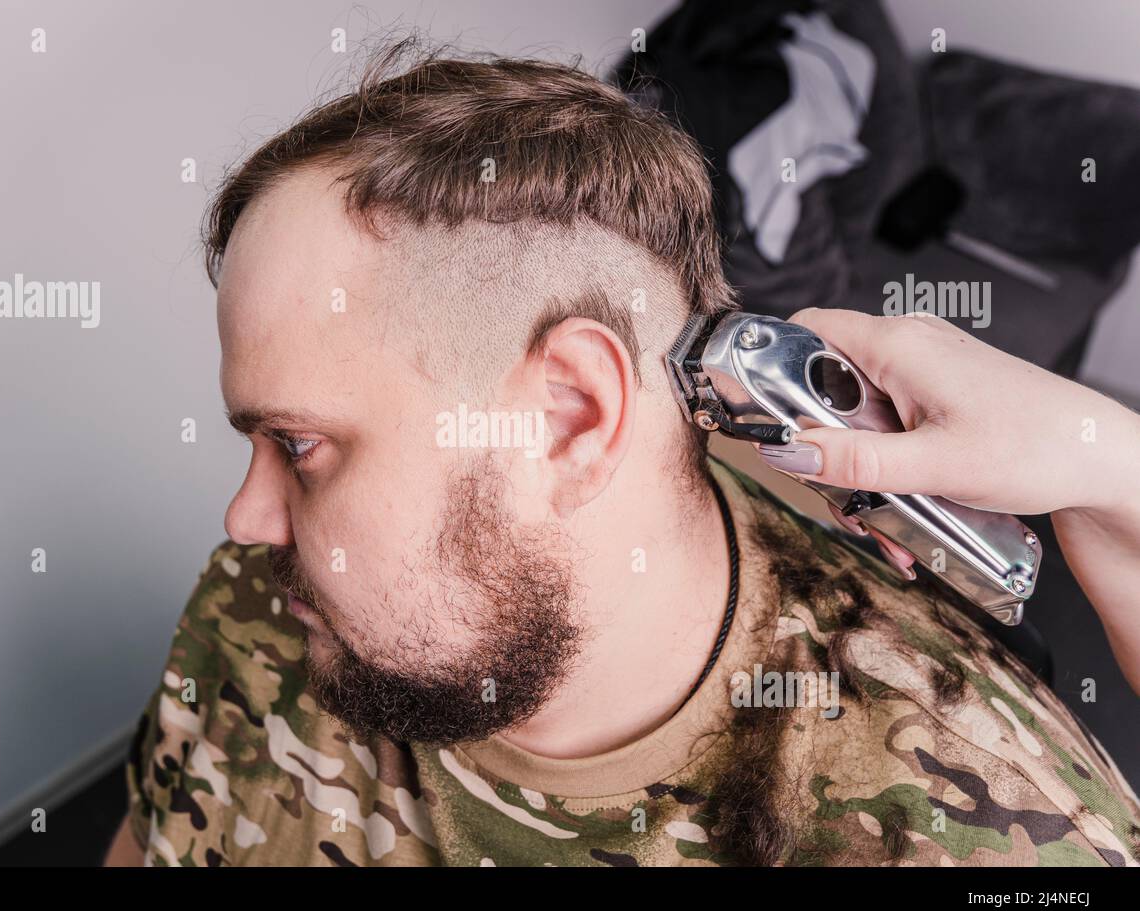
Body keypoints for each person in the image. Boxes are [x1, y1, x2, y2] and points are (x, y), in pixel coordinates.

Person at [104, 44, 1140, 867]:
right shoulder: (266, 610)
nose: (244, 520)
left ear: (570, 416)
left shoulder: (983, 833)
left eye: (298, 445)